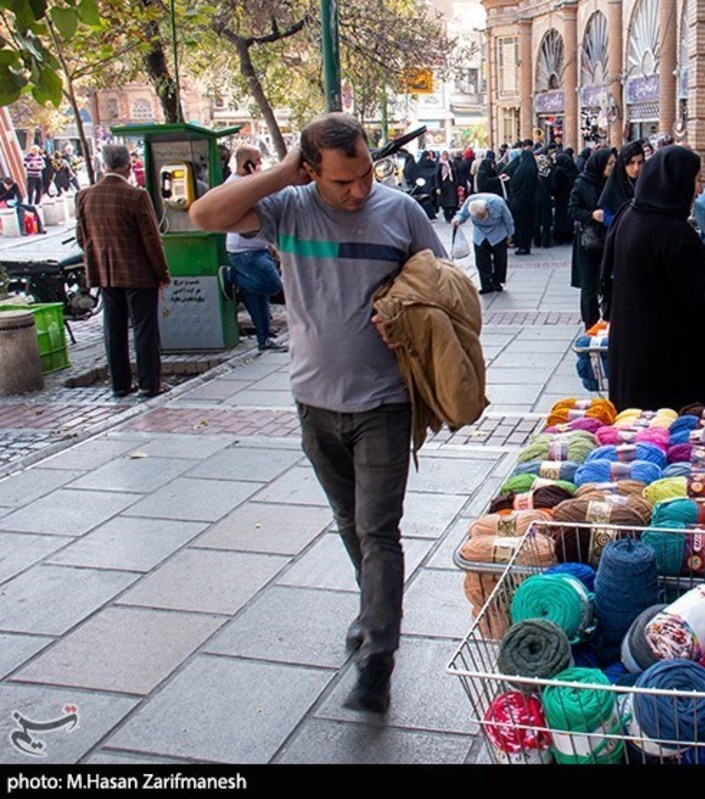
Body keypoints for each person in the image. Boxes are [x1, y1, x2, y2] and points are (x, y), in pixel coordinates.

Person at [188, 112, 447, 714]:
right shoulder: (289, 208)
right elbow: (204, 216)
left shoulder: (399, 210)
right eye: (342, 181)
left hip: (384, 402)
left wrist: (406, 309)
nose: (359, 190)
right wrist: (279, 175)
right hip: (313, 401)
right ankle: (372, 611)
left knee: (378, 528)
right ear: (308, 171)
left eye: (365, 174)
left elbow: (441, 282)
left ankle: (377, 655)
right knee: (348, 522)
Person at [604, 145, 705, 410]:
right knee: (666, 440)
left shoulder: (631, 215)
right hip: (666, 368)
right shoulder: (673, 231)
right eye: (695, 179)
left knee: (636, 433)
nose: (699, 189)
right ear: (676, 180)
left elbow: (658, 273)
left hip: (632, 355)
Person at [76, 144, 171, 398]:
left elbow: (81, 237)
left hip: (106, 273)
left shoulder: (85, 196)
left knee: (114, 329)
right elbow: (151, 239)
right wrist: (162, 274)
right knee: (144, 329)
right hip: (138, 273)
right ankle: (149, 383)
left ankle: (119, 384)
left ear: (105, 165)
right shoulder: (136, 196)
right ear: (128, 166)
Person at [223, 145, 287, 352]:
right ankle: (233, 277)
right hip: (243, 249)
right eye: (257, 161)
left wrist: (270, 245)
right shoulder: (235, 185)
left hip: (259, 246)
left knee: (259, 297)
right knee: (273, 284)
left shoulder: (251, 183)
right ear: (246, 163)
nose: (260, 165)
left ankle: (264, 338)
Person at [568, 147, 614, 330]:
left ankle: (608, 322)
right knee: (588, 287)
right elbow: (572, 210)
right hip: (589, 242)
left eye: (613, 163)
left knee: (609, 283)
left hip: (609, 240)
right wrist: (591, 215)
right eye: (609, 163)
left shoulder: (614, 183)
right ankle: (591, 325)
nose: (611, 167)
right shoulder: (582, 182)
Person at [454, 193, 514, 294]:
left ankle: (497, 282)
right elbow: (462, 214)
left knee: (500, 259)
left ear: (487, 209)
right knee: (481, 260)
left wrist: (510, 234)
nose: (481, 218)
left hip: (497, 232)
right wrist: (457, 220)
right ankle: (486, 284)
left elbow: (508, 220)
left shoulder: (498, 203)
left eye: (482, 216)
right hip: (480, 234)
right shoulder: (470, 201)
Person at [597, 140, 644, 226]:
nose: (636, 168)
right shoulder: (614, 185)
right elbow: (607, 217)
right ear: (623, 164)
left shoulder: (647, 183)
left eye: (640, 163)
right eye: (631, 163)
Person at [506, 142, 538, 255]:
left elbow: (514, 184)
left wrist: (509, 180)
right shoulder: (533, 168)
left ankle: (522, 246)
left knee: (520, 226)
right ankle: (527, 246)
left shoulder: (521, 170)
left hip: (519, 202)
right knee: (528, 225)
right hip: (530, 202)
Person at [550, 150, 579, 244]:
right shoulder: (574, 169)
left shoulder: (559, 171)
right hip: (570, 197)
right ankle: (568, 235)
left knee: (561, 218)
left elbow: (556, 186)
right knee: (568, 218)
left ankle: (560, 236)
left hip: (561, 198)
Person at [533, 147, 554, 248]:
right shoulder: (549, 172)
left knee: (536, 220)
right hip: (546, 198)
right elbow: (554, 186)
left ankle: (537, 241)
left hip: (536, 198)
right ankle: (546, 242)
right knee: (546, 222)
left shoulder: (535, 172)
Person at [436, 151, 462, 223]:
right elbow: (437, 176)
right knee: (445, 203)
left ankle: (453, 215)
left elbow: (455, 173)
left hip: (452, 185)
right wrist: (438, 187)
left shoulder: (451, 163)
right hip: (443, 186)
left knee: (453, 201)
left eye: (446, 155)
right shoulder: (440, 165)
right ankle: (447, 216)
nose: (445, 156)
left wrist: (457, 183)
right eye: (444, 155)